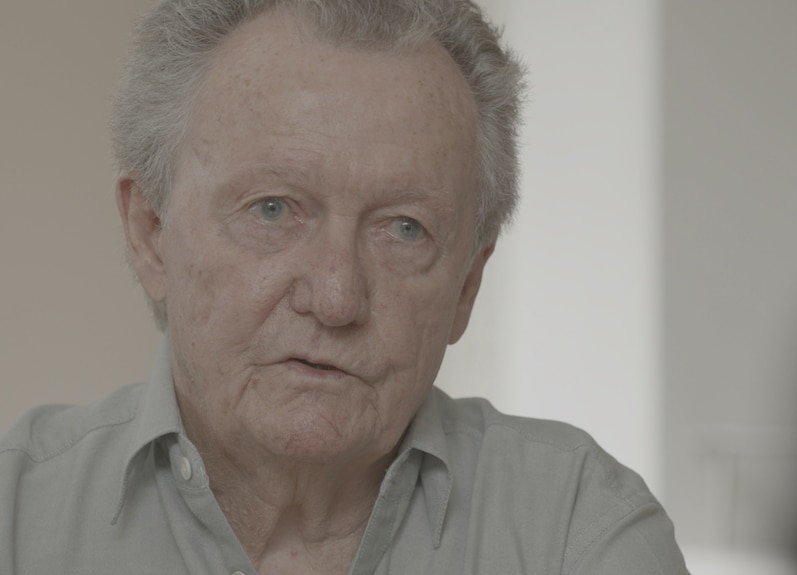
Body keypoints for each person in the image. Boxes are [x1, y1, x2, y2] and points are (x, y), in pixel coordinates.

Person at [0, 0, 689, 573]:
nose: (335, 299)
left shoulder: (577, 534)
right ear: (150, 232)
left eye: (405, 229)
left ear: (468, 285)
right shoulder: (16, 517)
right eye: (273, 208)